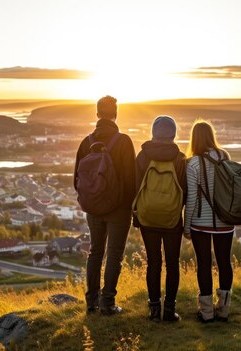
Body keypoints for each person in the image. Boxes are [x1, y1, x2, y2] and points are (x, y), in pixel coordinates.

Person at [74, 95, 136, 315]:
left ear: (97, 114)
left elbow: (77, 180)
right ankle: (107, 304)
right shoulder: (124, 142)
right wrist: (128, 207)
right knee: (114, 255)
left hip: (93, 209)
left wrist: (91, 201)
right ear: (116, 114)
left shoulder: (86, 142)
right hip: (118, 210)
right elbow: (131, 181)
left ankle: (91, 302)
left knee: (95, 253)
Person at [133, 115, 187, 322]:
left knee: (153, 262)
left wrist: (137, 215)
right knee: (172, 263)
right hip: (173, 219)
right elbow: (184, 191)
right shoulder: (180, 158)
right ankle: (169, 310)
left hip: (147, 218)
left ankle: (154, 309)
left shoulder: (143, 156)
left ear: (154, 133)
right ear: (173, 134)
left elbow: (136, 188)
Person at [183, 120, 234, 323]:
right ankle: (224, 310)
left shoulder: (193, 163)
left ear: (194, 138)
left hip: (200, 223)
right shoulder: (225, 156)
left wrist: (186, 227)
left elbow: (192, 198)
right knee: (224, 262)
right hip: (225, 221)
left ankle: (206, 312)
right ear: (212, 136)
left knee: (203, 264)